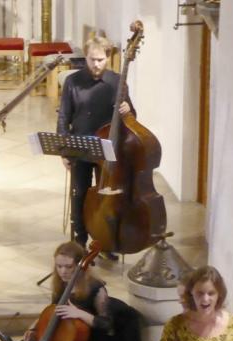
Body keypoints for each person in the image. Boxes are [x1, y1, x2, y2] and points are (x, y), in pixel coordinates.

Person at [56, 35, 134, 261]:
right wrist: (64, 150)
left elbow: (132, 118)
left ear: (107, 58)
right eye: (92, 59)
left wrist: (128, 110)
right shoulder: (73, 82)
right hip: (81, 146)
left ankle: (104, 241)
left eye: (100, 59)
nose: (96, 64)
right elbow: (64, 117)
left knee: (106, 198)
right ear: (86, 57)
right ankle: (80, 241)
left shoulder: (117, 82)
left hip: (108, 149)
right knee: (79, 194)